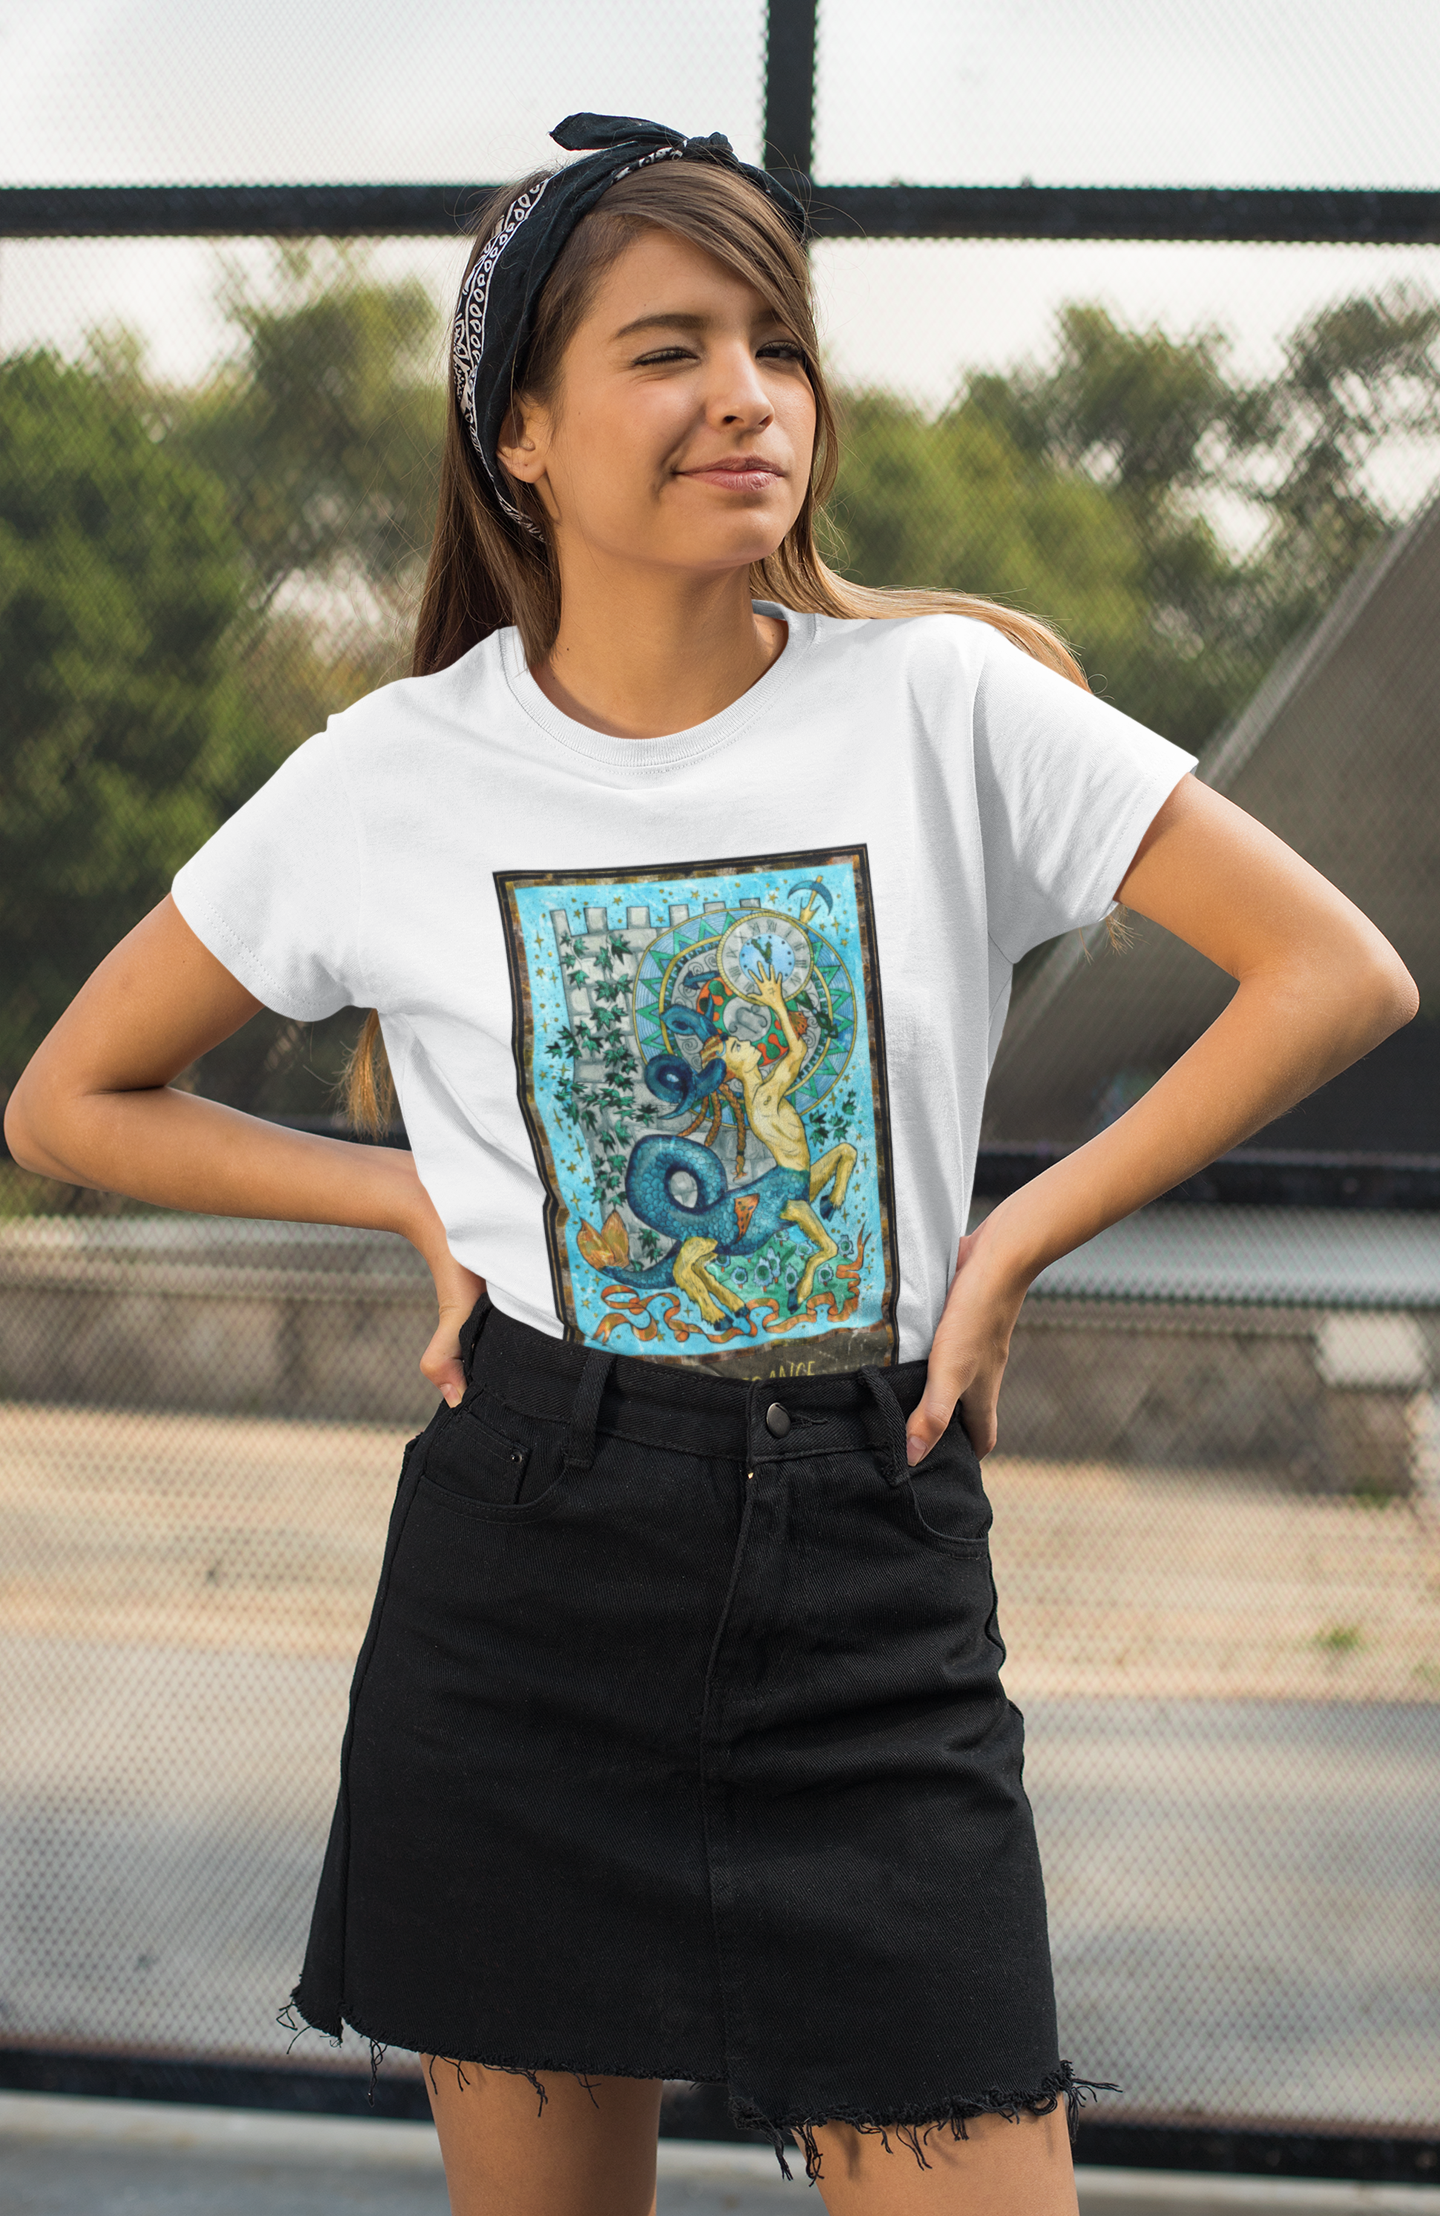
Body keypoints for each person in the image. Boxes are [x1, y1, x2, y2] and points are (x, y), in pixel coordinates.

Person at [4, 111, 1415, 2216]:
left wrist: (1018, 1230)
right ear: (525, 440)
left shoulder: (947, 703)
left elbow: (1338, 968)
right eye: (668, 349)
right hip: (531, 1562)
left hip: (869, 1563)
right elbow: (64, 1103)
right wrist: (411, 1196)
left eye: (776, 339)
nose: (747, 392)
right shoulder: (390, 774)